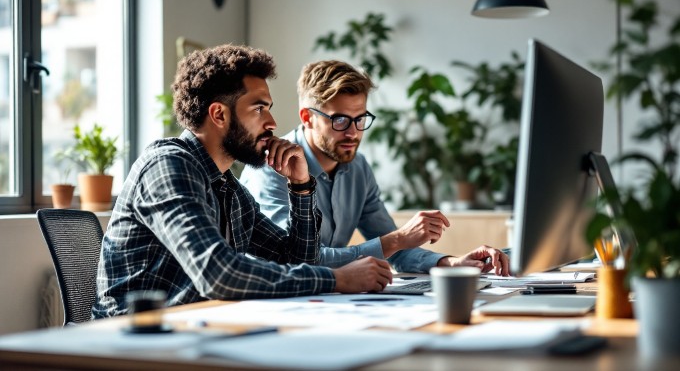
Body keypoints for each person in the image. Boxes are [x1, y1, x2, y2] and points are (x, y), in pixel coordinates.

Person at [92, 46, 393, 318]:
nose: (272, 122)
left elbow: (298, 259)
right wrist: (337, 279)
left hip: (192, 333)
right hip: (129, 341)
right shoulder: (168, 166)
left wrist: (301, 187)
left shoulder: (229, 188)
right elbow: (217, 273)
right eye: (259, 108)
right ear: (219, 114)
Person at [241, 60, 509, 274]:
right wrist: (396, 240)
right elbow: (295, 260)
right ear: (307, 117)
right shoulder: (270, 168)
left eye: (360, 119)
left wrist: (451, 263)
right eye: (340, 120)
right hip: (272, 300)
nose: (353, 133)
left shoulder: (357, 168)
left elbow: (397, 250)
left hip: (327, 299)